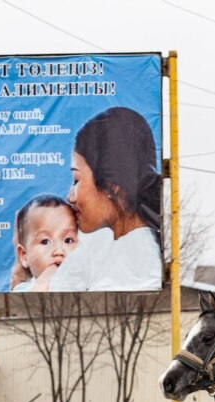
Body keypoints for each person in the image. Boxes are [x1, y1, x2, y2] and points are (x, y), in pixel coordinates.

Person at [49, 106, 162, 292]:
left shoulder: (134, 258)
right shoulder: (116, 247)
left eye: (76, 180)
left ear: (112, 186)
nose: (69, 197)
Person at [9, 194, 78, 292]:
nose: (59, 251)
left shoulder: (87, 284)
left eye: (68, 240)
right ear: (24, 256)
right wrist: (45, 281)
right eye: (45, 241)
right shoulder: (24, 289)